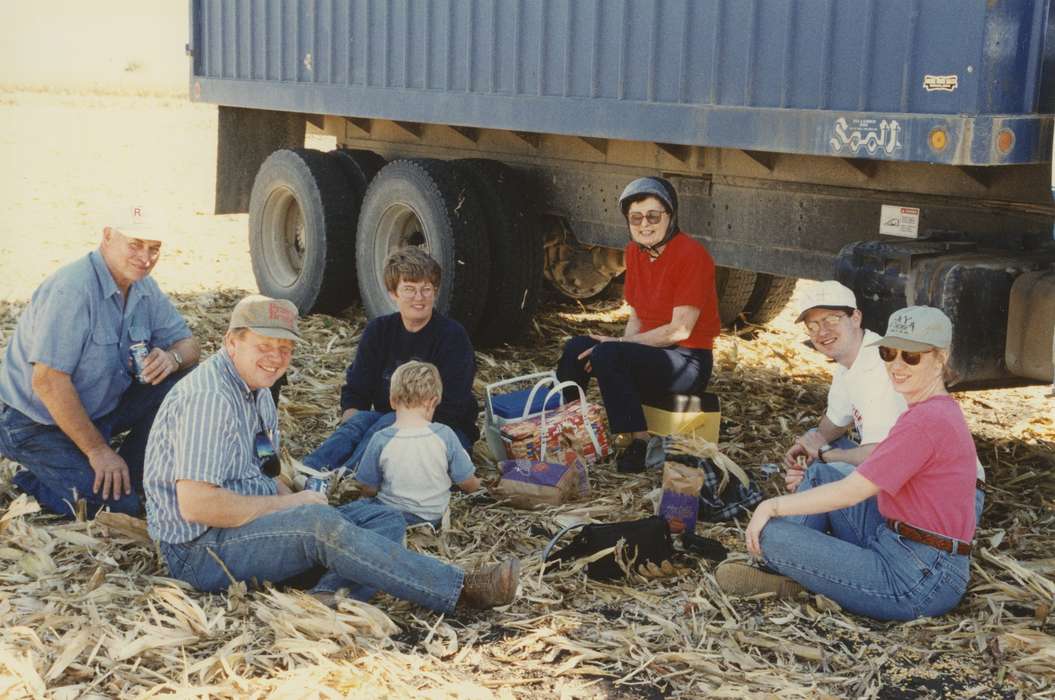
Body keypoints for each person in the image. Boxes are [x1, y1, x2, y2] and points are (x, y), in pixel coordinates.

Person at [144, 295, 517, 613]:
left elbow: (267, 468)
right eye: (264, 346)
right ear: (232, 342)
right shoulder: (209, 399)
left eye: (285, 349)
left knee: (383, 519)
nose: (275, 359)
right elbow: (197, 506)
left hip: (246, 526)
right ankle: (459, 590)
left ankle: (331, 597)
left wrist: (298, 503)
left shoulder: (256, 389)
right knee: (318, 526)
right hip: (200, 550)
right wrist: (295, 510)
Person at [716, 307, 979, 621]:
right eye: (888, 352)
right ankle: (789, 572)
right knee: (823, 476)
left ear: (941, 358)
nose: (896, 365)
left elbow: (854, 491)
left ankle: (792, 573)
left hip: (919, 580)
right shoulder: (932, 410)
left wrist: (771, 506)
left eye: (911, 356)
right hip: (902, 545)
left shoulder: (926, 421)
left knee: (772, 534)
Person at [0, 205, 199, 517]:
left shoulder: (143, 285)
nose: (146, 258)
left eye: (154, 248)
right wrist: (98, 451)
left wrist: (172, 359)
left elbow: (189, 345)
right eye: (135, 244)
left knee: (189, 381)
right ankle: (37, 480)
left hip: (100, 407)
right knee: (119, 510)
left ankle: (128, 473)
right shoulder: (74, 289)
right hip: (37, 422)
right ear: (107, 236)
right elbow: (48, 382)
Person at [556, 177, 720, 472]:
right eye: (636, 218)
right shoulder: (635, 252)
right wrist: (619, 354)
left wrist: (617, 349)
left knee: (608, 353)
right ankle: (569, 431)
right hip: (654, 353)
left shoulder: (692, 256)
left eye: (653, 216)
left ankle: (638, 443)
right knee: (577, 348)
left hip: (687, 360)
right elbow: (638, 317)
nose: (645, 224)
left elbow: (679, 330)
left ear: (670, 217)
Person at [303, 248, 479, 473]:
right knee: (361, 422)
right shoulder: (379, 331)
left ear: (435, 292)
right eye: (409, 289)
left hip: (445, 430)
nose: (419, 297)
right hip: (388, 419)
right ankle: (306, 471)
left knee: (382, 425)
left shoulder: (452, 336)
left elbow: (454, 403)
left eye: (426, 289)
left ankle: (346, 479)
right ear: (393, 293)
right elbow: (357, 390)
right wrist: (352, 426)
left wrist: (390, 425)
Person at [783, 281, 907, 489]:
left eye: (831, 320)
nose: (821, 332)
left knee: (817, 475)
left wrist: (824, 455)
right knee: (818, 459)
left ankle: (788, 515)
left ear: (856, 318)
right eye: (812, 326)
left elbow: (881, 455)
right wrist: (807, 443)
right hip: (899, 474)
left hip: (933, 495)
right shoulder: (849, 361)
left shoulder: (881, 365)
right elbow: (831, 426)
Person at [355, 361, 481, 528]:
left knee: (347, 511)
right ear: (433, 401)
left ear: (392, 401)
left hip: (389, 513)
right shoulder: (445, 435)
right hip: (433, 516)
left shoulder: (381, 439)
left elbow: (368, 488)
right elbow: (467, 482)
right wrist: (483, 486)